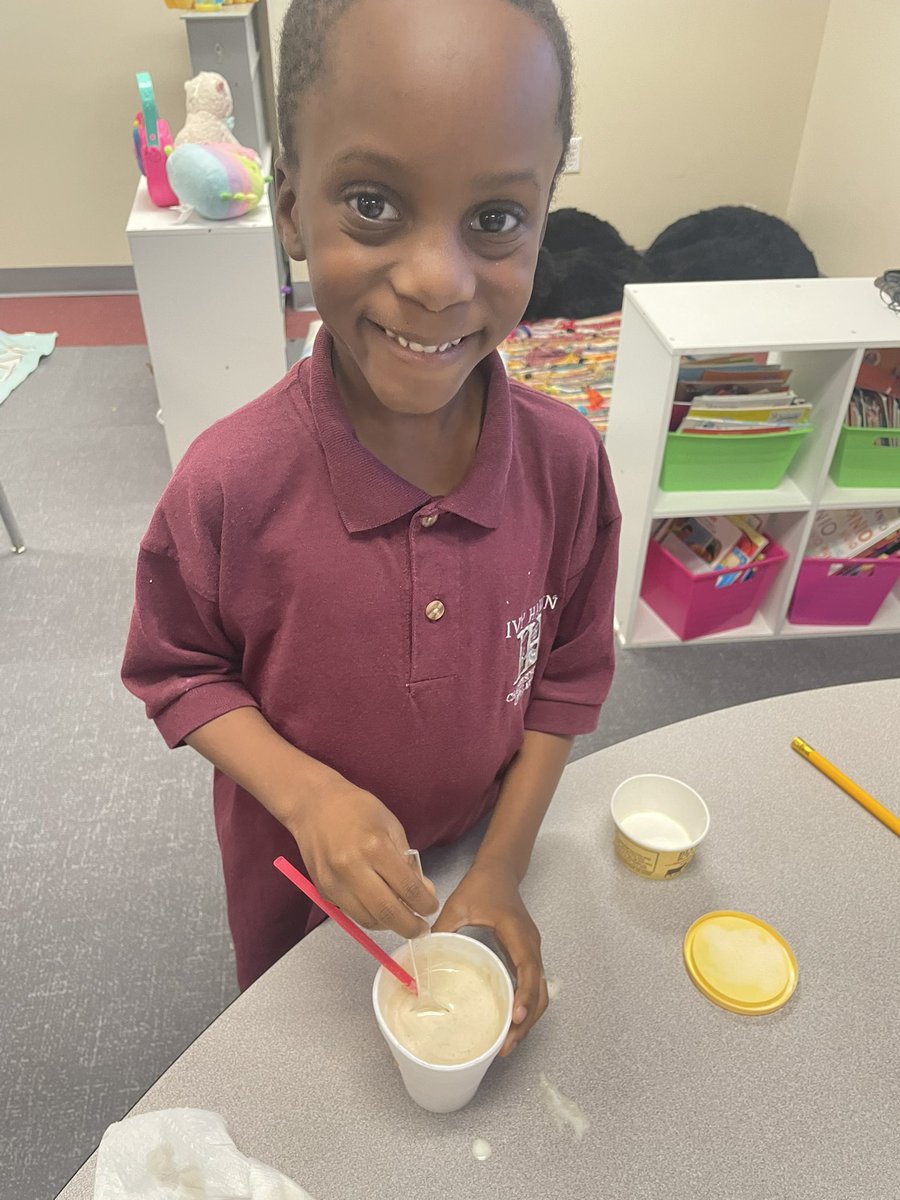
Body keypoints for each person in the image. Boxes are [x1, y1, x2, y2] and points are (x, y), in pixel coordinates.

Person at [122, 0, 620, 1056]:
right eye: (373, 204)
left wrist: (497, 869)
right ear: (293, 210)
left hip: (479, 850)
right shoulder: (228, 486)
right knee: (297, 1066)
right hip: (296, 878)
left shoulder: (568, 468)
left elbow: (569, 676)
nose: (438, 280)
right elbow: (178, 672)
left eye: (495, 218)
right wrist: (307, 795)